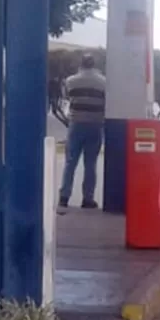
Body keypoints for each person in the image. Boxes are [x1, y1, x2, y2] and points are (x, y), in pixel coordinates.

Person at [58, 54, 107, 214]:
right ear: (94, 65)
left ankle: (64, 197)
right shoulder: (103, 82)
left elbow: (66, 97)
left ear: (81, 64)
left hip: (76, 124)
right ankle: (88, 199)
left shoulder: (71, 81)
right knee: (90, 163)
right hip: (95, 124)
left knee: (70, 162)